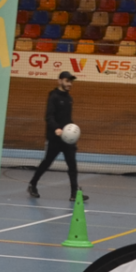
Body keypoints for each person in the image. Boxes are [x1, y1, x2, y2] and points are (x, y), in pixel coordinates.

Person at [30, 70, 80, 199]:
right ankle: (32, 184)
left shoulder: (69, 99)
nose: (69, 84)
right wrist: (56, 129)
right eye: (67, 81)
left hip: (67, 139)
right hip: (55, 138)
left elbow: (67, 119)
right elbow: (49, 116)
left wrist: (72, 130)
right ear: (60, 81)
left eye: (71, 82)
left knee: (72, 165)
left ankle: (74, 193)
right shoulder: (54, 96)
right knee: (47, 162)